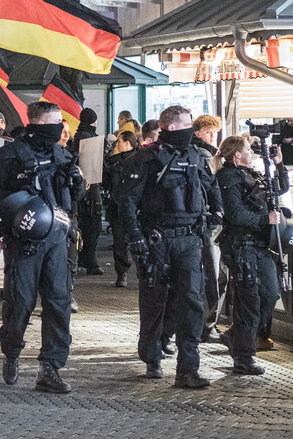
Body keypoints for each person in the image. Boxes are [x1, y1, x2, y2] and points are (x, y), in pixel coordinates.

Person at [115, 105, 222, 388]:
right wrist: (136, 238)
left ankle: (188, 369)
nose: (192, 129)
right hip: (156, 239)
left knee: (191, 302)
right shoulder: (146, 158)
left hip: (189, 239)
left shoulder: (196, 156)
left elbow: (211, 188)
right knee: (154, 301)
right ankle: (152, 356)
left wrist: (215, 215)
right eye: (187, 124)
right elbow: (126, 202)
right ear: (173, 128)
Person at [0, 101, 84, 393]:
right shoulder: (10, 155)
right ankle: (12, 352)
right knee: (20, 304)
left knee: (58, 303)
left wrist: (76, 181)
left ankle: (50, 368)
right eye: (55, 122)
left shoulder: (61, 154)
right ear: (39, 124)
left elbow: (75, 194)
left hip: (57, 239)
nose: (60, 128)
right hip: (25, 242)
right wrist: (20, 199)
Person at [215, 136, 288, 375]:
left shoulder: (253, 173)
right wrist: (263, 219)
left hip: (260, 244)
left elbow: (279, 190)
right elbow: (234, 214)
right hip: (242, 245)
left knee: (270, 293)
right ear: (237, 154)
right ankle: (244, 357)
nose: (252, 152)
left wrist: (277, 165)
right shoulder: (227, 178)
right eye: (248, 149)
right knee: (249, 300)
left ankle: (235, 336)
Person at [192, 115, 224, 342]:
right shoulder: (205, 156)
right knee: (212, 276)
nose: (213, 135)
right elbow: (211, 188)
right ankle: (206, 325)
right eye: (208, 131)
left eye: (214, 132)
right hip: (206, 225)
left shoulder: (210, 155)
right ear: (198, 133)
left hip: (205, 222)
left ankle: (205, 324)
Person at [101, 130, 138, 287]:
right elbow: (106, 182)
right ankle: (121, 273)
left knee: (133, 241)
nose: (117, 145)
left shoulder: (140, 160)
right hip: (118, 207)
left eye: (119, 142)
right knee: (119, 242)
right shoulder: (114, 161)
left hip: (133, 207)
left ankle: (134, 273)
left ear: (127, 143)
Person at [71, 108, 103, 276]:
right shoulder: (90, 138)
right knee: (93, 225)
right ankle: (90, 261)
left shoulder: (77, 136)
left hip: (79, 186)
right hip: (90, 186)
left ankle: (81, 258)